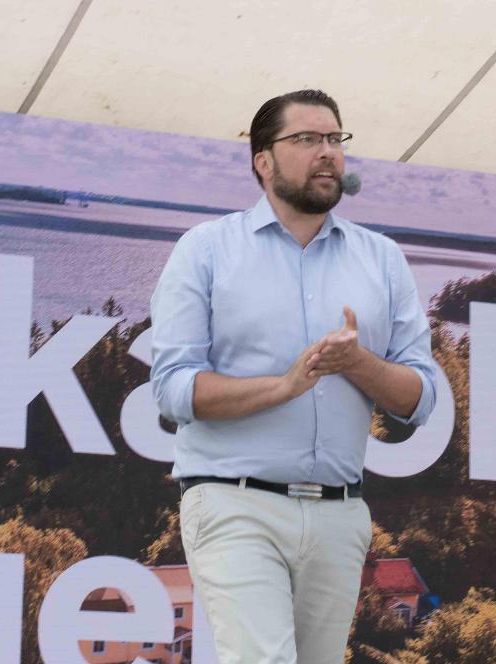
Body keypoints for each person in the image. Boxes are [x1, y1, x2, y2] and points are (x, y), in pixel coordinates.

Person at [149, 89, 437, 664]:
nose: (326, 152)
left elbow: (420, 398)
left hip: (340, 514)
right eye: (306, 139)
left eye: (335, 139)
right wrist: (282, 387)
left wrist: (358, 363)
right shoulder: (205, 251)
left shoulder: (382, 259)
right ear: (263, 160)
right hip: (235, 503)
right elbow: (174, 387)